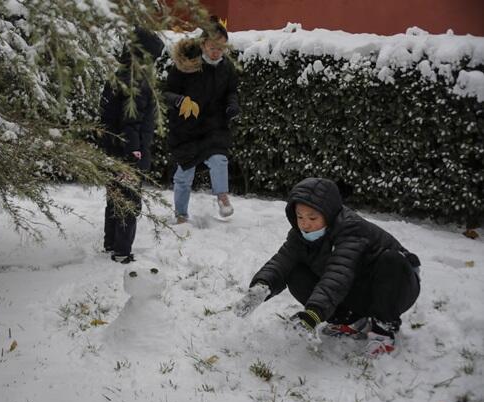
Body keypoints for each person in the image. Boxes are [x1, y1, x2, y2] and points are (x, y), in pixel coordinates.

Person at [233, 177, 421, 357]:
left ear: (328, 214)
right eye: (299, 216)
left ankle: (383, 330)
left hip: (396, 286)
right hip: (356, 287)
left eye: (312, 218)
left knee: (391, 261)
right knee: (296, 272)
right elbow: (281, 262)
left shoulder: (351, 230)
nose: (305, 224)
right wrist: (261, 287)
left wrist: (313, 314)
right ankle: (351, 321)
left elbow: (337, 275)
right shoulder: (300, 235)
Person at [164, 16, 240, 224]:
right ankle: (181, 214)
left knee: (219, 159)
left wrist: (232, 105)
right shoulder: (188, 64)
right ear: (203, 44)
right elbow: (165, 93)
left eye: (221, 48)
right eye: (213, 46)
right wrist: (180, 101)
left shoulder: (227, 68)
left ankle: (222, 196)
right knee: (184, 175)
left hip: (214, 126)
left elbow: (231, 91)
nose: (217, 52)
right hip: (186, 129)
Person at [100, 27, 164, 264]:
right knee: (128, 201)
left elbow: (107, 116)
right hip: (128, 154)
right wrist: (134, 155)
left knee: (115, 198)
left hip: (111, 150)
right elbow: (131, 121)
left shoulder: (118, 75)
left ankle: (110, 243)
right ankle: (122, 251)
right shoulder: (138, 83)